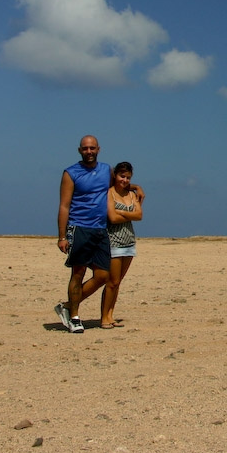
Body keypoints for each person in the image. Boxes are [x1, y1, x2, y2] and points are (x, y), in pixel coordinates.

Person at [54, 136, 142, 333]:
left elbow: (119, 184)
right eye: (85, 148)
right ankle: (74, 317)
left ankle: (67, 306)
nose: (89, 152)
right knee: (78, 273)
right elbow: (64, 205)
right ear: (80, 150)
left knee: (103, 275)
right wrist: (62, 236)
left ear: (98, 149)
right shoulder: (71, 173)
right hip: (79, 227)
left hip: (101, 229)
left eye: (92, 148)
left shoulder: (105, 170)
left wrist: (136, 187)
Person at [100, 161, 142, 328]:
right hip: (113, 241)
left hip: (129, 241)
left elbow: (139, 215)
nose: (124, 180)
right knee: (112, 281)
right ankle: (104, 317)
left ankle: (110, 315)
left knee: (118, 283)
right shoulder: (109, 193)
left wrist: (121, 211)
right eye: (121, 176)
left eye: (127, 177)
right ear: (115, 176)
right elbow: (112, 218)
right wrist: (129, 214)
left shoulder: (131, 194)